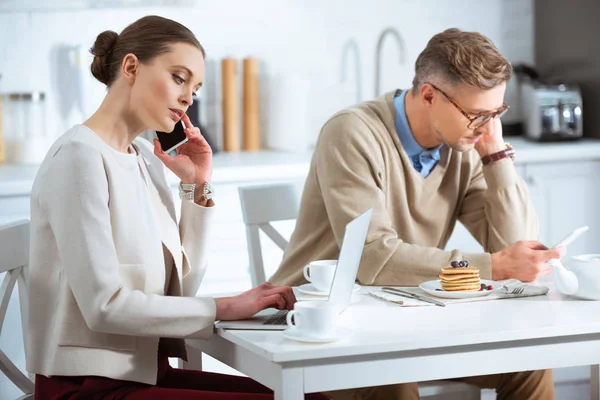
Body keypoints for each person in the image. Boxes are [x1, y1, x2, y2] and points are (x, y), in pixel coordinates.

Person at [26, 15, 326, 400]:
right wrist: (225, 306)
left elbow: (180, 291)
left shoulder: (145, 158)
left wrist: (197, 187)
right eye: (179, 78)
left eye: (195, 89)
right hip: (88, 386)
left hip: (144, 373)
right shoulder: (78, 158)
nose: (187, 97)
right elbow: (104, 307)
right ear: (131, 67)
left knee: (311, 394)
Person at [269, 28, 564, 400]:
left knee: (530, 363)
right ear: (428, 95)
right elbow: (372, 257)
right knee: (392, 380)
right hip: (321, 324)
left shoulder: (466, 145)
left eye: (496, 113)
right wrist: (494, 266)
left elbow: (513, 246)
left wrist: (496, 154)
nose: (487, 126)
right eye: (477, 114)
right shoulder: (351, 133)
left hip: (407, 318)